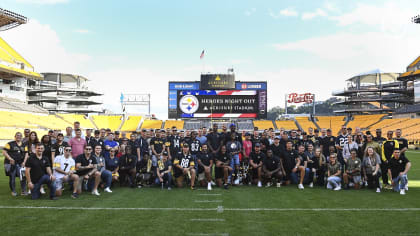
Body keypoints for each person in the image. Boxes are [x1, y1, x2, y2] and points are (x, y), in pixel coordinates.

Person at [3, 132, 28, 196]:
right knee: (12, 177)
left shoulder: (24, 145)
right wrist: (10, 159)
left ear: (22, 137)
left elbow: (26, 154)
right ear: (15, 137)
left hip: (20, 164)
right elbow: (4, 151)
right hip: (10, 163)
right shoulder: (9, 144)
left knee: (23, 177)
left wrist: (24, 162)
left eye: (20, 136)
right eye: (17, 135)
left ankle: (23, 191)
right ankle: (13, 191)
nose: (18, 137)